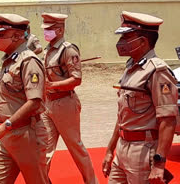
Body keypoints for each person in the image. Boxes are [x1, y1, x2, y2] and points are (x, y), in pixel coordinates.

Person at [102, 11, 178, 184]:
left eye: (126, 38)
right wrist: (109, 150)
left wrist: (159, 164)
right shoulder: (131, 67)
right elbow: (123, 115)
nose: (120, 43)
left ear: (143, 41)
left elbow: (168, 120)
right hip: (122, 148)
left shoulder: (157, 71)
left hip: (143, 151)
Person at [0, 13, 49, 184]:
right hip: (8, 136)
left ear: (18, 36)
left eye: (1, 35)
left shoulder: (29, 61)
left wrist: (5, 126)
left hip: (26, 134)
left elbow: (35, 102)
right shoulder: (10, 60)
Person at [40, 12, 98, 184]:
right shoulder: (48, 50)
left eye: (49, 29)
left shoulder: (68, 50)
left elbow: (76, 79)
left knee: (75, 147)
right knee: (44, 148)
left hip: (65, 103)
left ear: (59, 29)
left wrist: (53, 86)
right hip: (47, 104)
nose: (46, 32)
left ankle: (91, 181)